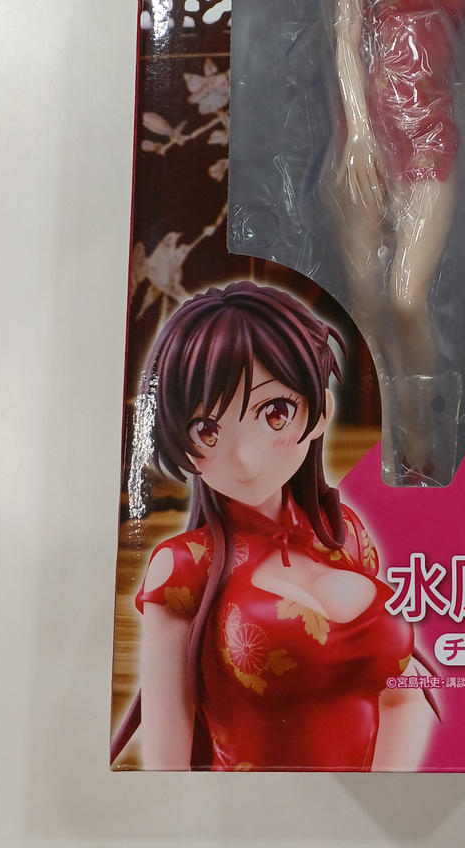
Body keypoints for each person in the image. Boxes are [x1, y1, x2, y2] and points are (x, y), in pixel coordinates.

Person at [113, 280, 432, 771]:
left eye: (275, 412)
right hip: (251, 810)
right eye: (206, 429)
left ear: (320, 412)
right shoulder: (184, 566)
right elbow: (166, 757)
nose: (243, 457)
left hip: (377, 802)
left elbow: (404, 697)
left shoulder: (344, 531)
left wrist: (387, 794)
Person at [325, 0, 465, 480]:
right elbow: (345, 44)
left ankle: (424, 432)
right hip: (362, 147)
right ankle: (389, 443)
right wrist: (359, 133)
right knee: (366, 308)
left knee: (407, 295)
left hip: (430, 140)